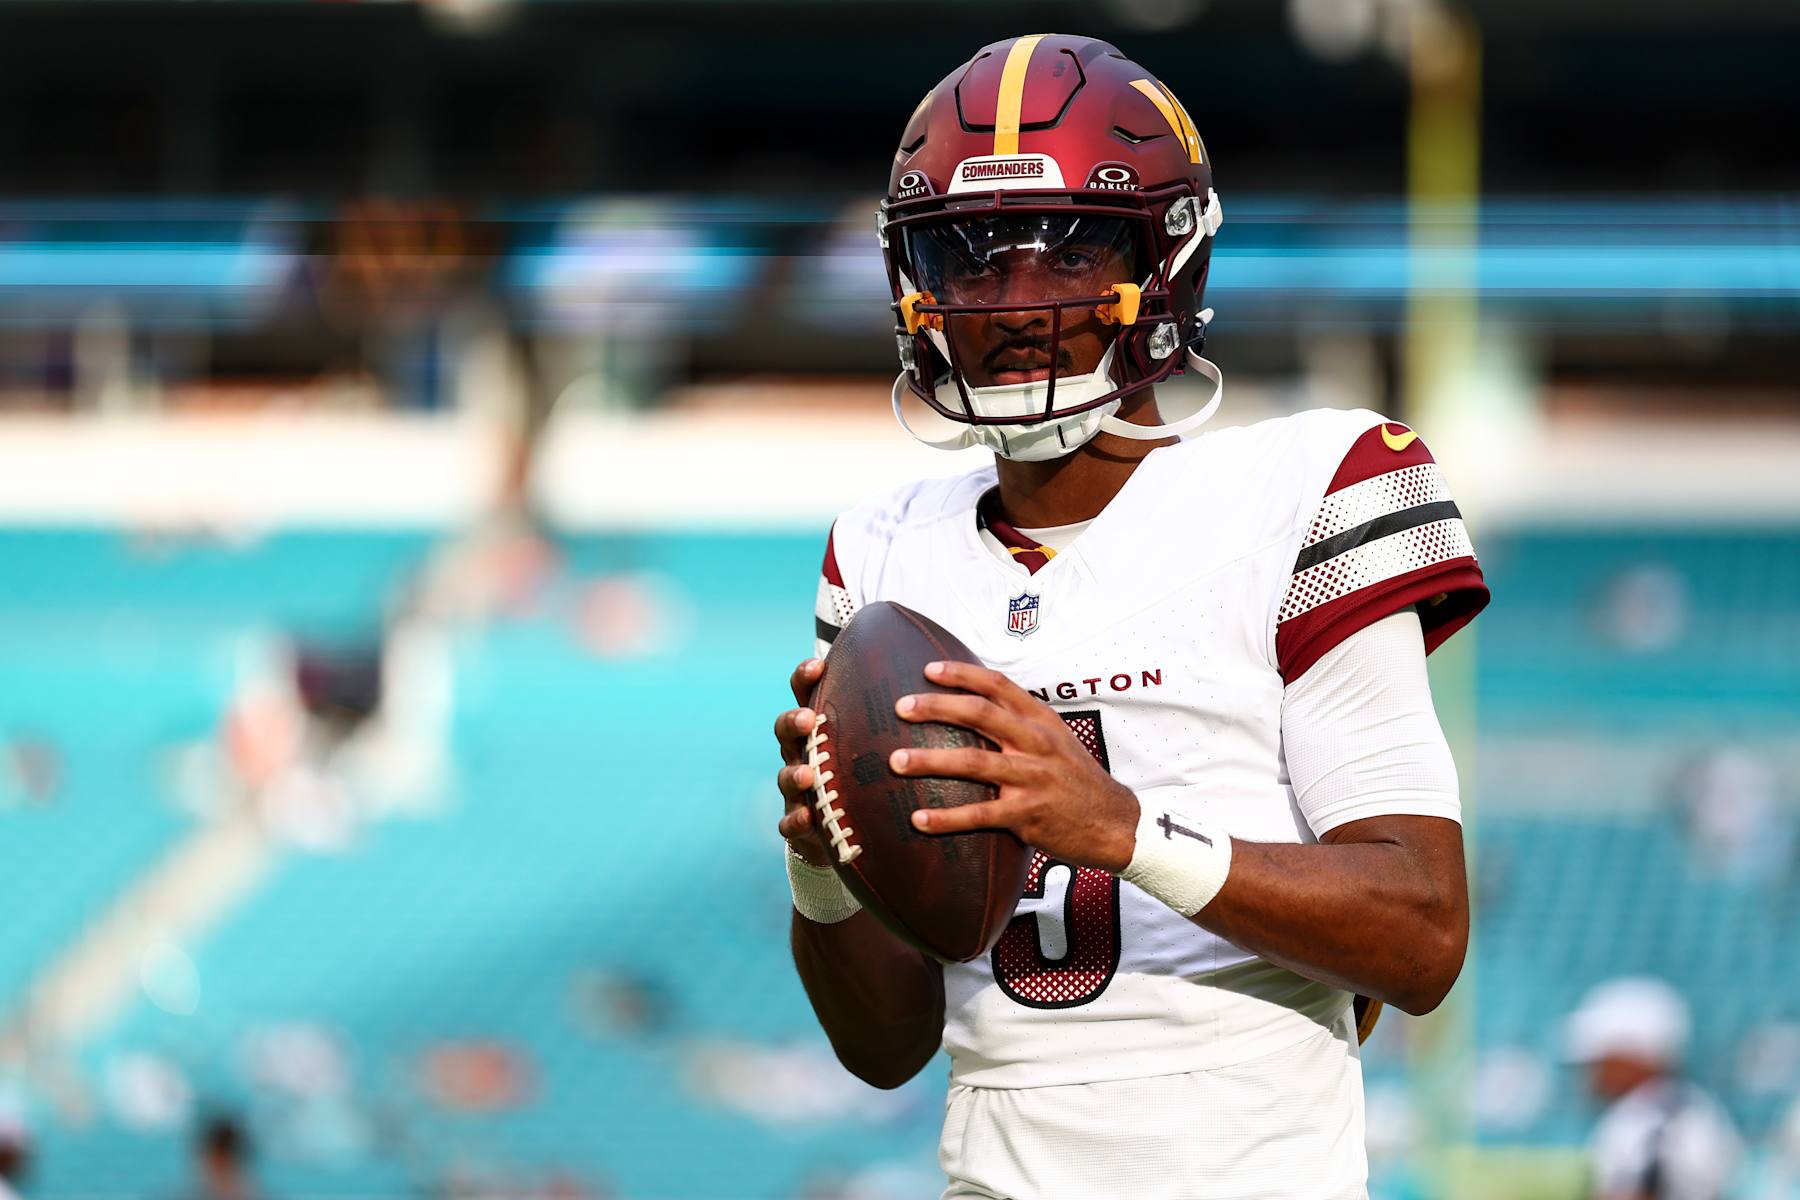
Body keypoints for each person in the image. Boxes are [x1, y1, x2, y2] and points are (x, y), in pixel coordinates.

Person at [770, 34, 1489, 1200]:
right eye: (969, 258)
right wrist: (825, 867)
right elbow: (886, 1047)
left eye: (1068, 251)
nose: (1014, 305)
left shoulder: (1311, 486)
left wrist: (1123, 829)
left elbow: (1422, 933)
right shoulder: (884, 550)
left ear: (1169, 263)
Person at [1565, 978, 1740, 1200]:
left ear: (1631, 1056)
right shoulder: (1693, 1106)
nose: (1593, 1070)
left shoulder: (1645, 1120)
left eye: (1603, 1060)